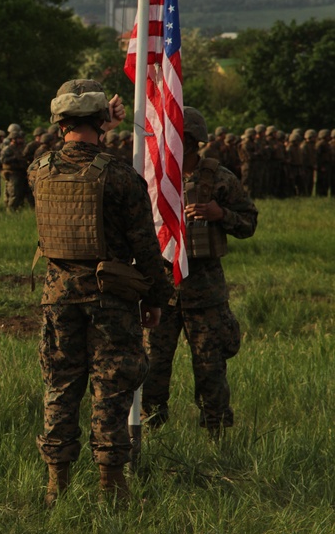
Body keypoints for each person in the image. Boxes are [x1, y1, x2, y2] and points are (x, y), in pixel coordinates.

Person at [29, 79, 173, 506]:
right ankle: (112, 485)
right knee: (111, 390)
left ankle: (57, 482)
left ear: (59, 123)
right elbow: (146, 248)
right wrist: (157, 299)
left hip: (57, 298)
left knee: (60, 387)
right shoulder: (120, 177)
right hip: (110, 299)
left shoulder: (38, 169)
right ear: (100, 122)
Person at [142, 107, 258, 436]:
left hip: (205, 293)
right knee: (153, 368)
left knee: (210, 369)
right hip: (161, 293)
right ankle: (151, 432)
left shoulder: (220, 179)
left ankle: (215, 434)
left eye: (177, 138)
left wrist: (220, 214)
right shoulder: (154, 178)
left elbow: (249, 222)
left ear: (192, 142)